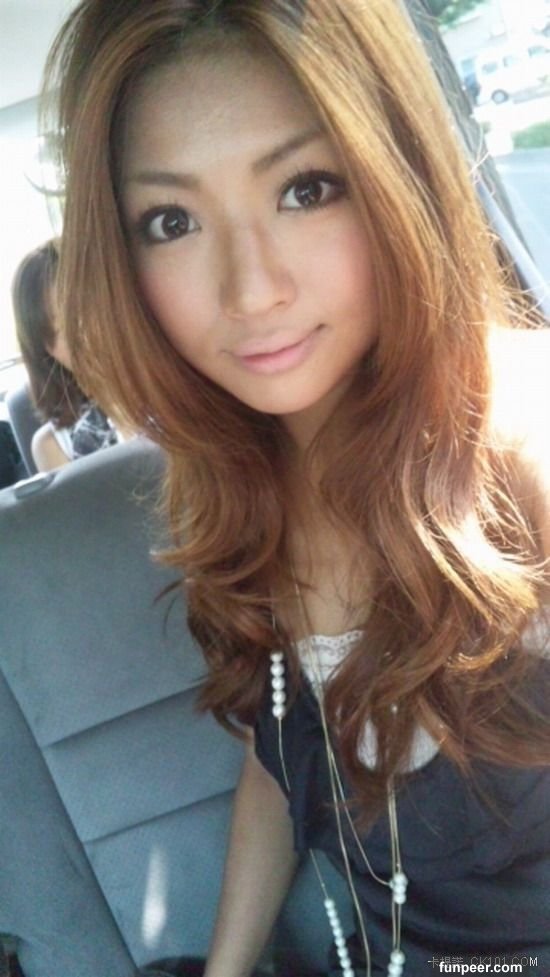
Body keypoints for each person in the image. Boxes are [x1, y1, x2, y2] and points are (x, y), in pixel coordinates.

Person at [43, 1, 549, 974]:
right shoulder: (242, 484)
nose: (251, 290)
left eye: (306, 188)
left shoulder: (523, 442)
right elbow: (281, 753)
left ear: (397, 173)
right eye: (173, 221)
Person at [11, 240, 122, 472]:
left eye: (90, 312)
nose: (86, 336)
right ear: (46, 350)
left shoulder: (181, 382)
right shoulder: (53, 446)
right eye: (62, 329)